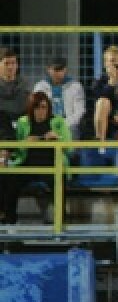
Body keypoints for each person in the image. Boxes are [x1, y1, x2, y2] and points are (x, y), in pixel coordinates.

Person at [2, 92, 70, 225]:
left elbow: (70, 147)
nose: (40, 111)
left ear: (48, 108)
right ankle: (10, 221)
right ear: (31, 108)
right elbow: (15, 150)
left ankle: (60, 222)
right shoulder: (23, 122)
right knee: (10, 181)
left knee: (59, 180)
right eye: (36, 107)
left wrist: (58, 139)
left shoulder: (58, 121)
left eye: (43, 107)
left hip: (52, 165)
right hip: (28, 164)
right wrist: (25, 143)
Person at [32, 57, 85, 140]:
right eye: (55, 70)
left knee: (72, 131)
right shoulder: (40, 87)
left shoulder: (75, 86)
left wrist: (63, 124)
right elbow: (35, 108)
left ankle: (72, 153)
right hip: (46, 124)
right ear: (48, 69)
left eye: (61, 70)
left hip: (69, 124)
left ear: (65, 70)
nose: (58, 73)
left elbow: (79, 112)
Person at [0, 48, 32, 131]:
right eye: (6, 63)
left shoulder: (25, 84)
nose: (10, 67)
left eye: (13, 63)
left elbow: (30, 107)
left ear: (17, 65)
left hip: (22, 124)